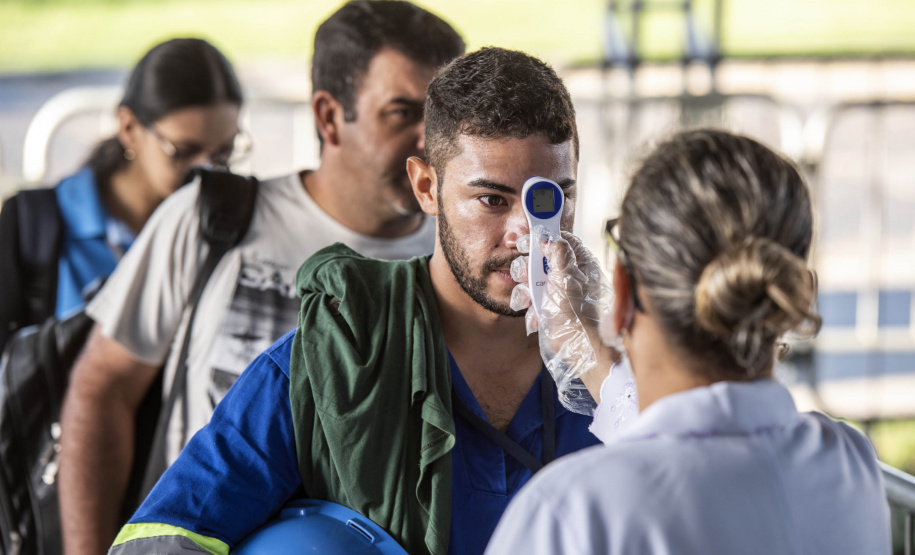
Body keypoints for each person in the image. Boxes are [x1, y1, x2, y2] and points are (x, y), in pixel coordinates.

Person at [105, 47, 601, 555]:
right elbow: (159, 542)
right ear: (426, 187)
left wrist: (601, 357)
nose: (526, 233)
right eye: (492, 200)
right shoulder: (327, 365)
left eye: (550, 198)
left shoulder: (614, 377)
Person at [59, 2, 465, 554]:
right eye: (401, 113)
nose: (429, 139)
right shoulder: (215, 218)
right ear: (327, 116)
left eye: (444, 116)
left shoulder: (465, 258)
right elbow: (102, 388)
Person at [486, 129, 892, 554]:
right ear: (793, 290)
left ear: (620, 293)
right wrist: (582, 347)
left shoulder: (569, 515)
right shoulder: (849, 464)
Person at [0, 37, 245, 351]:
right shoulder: (32, 226)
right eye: (184, 151)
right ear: (129, 127)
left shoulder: (230, 225)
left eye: (224, 152)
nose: (210, 170)